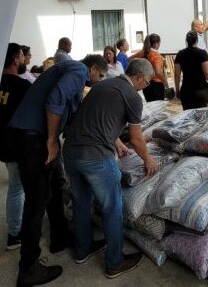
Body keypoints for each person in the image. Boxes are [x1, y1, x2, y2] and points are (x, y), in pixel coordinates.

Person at [7, 54, 108, 286]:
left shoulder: (74, 78)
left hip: (33, 137)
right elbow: (55, 99)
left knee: (55, 186)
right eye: (100, 76)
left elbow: (72, 118)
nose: (98, 81)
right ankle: (28, 268)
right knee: (37, 200)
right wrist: (52, 140)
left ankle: (59, 237)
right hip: (32, 139)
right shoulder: (78, 70)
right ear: (93, 68)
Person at [63, 58, 159, 278]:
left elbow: (96, 119)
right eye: (147, 82)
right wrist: (148, 160)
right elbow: (136, 139)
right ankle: (114, 263)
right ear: (138, 78)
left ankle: (82, 250)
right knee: (112, 209)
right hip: (96, 157)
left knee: (81, 202)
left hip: (70, 152)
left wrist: (115, 141)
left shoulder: (102, 85)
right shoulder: (133, 96)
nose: (147, 85)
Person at [0, 43, 31, 251]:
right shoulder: (21, 86)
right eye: (22, 56)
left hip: (2, 143)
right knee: (19, 188)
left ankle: (15, 228)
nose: (25, 59)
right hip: (20, 145)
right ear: (16, 59)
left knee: (16, 188)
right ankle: (15, 233)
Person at [174, 31, 208, 109]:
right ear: (197, 40)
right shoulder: (202, 53)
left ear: (186, 41)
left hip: (186, 90)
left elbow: (177, 74)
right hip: (201, 90)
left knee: (188, 117)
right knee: (200, 117)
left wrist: (177, 89)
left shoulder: (180, 54)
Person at [129, 34, 168, 102]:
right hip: (156, 85)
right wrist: (165, 81)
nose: (159, 45)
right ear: (156, 44)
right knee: (157, 107)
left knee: (150, 106)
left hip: (145, 84)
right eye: (159, 43)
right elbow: (158, 72)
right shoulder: (156, 55)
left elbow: (129, 59)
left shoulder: (142, 52)